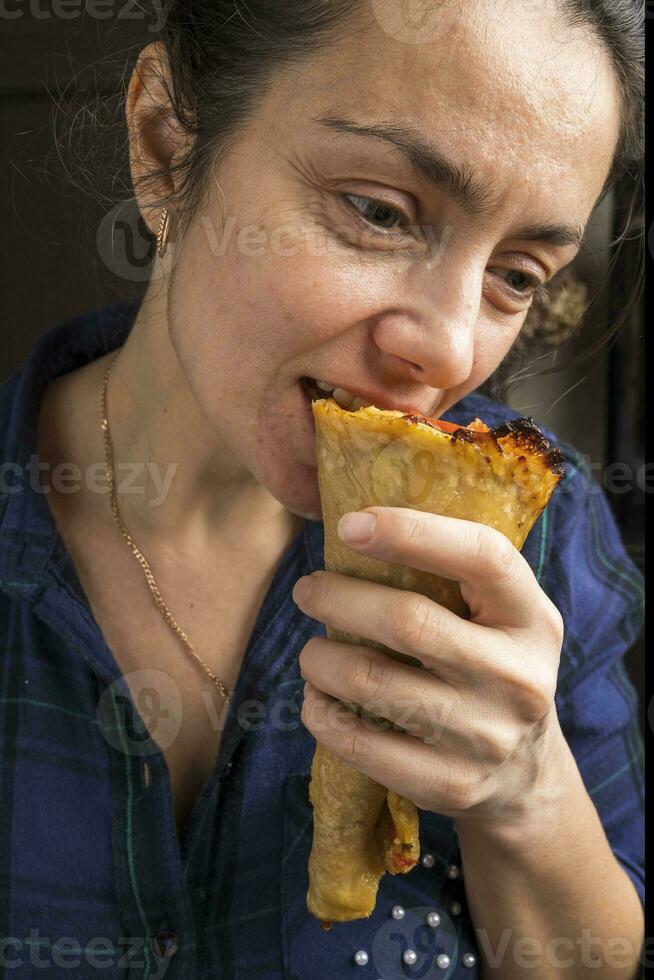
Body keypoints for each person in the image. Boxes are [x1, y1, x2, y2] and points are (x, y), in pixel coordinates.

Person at [0, 1, 645, 977]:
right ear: (164, 138)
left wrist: (522, 792)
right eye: (381, 210)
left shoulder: (545, 539)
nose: (451, 346)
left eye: (517, 274)